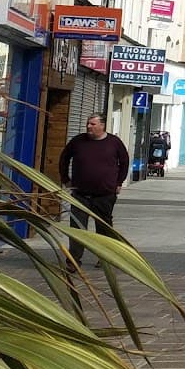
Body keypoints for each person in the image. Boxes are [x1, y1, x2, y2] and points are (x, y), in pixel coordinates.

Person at [58, 113, 130, 266]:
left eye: (92, 124)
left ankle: (104, 258)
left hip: (105, 195)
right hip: (80, 194)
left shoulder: (114, 142)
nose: (88, 126)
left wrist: (119, 183)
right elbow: (64, 158)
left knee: (104, 228)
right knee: (77, 227)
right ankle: (74, 260)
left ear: (102, 125)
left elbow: (124, 162)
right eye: (88, 123)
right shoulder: (78, 141)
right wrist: (65, 179)